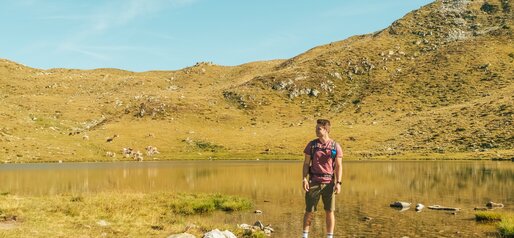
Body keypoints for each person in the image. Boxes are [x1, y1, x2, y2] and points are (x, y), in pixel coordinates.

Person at [302, 119, 343, 238]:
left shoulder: (335, 146)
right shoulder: (312, 145)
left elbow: (339, 166)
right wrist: (304, 179)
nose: (316, 130)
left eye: (319, 128)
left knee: (330, 211)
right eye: (316, 128)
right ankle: (305, 236)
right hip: (313, 182)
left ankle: (329, 236)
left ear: (326, 130)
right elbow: (306, 163)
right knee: (309, 211)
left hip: (329, 183)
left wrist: (338, 183)